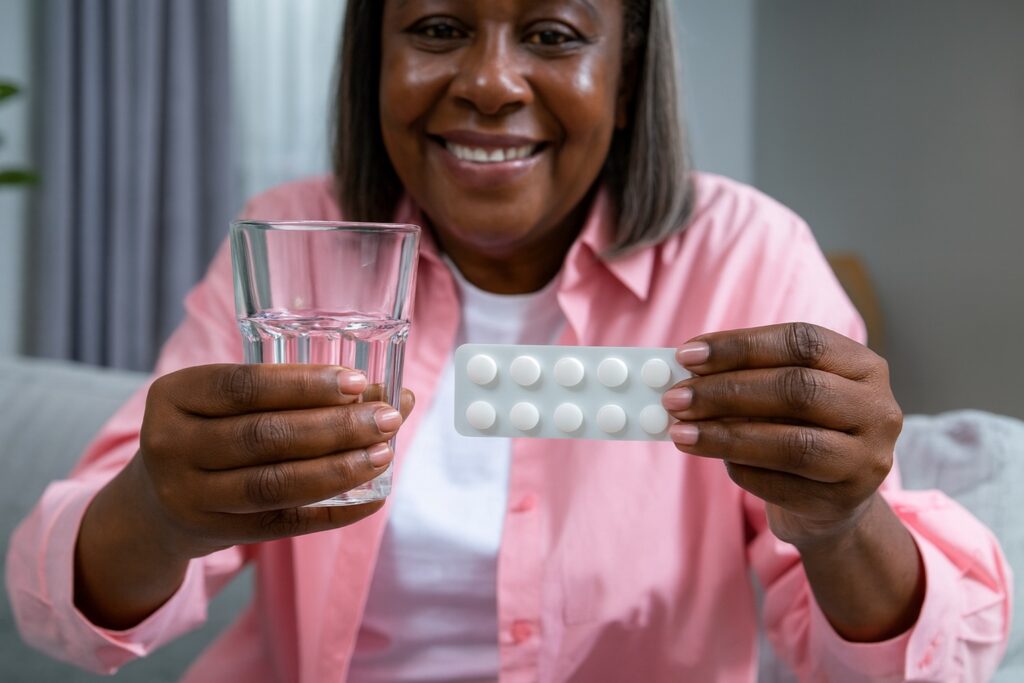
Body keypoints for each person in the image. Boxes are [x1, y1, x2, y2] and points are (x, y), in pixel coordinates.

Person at [6, 1, 1012, 681]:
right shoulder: (293, 244)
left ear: (626, 75)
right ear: (374, 58)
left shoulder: (744, 255)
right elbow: (62, 608)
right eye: (439, 27)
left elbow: (917, 659)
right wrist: (159, 509)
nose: (490, 82)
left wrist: (839, 520)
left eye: (552, 33)